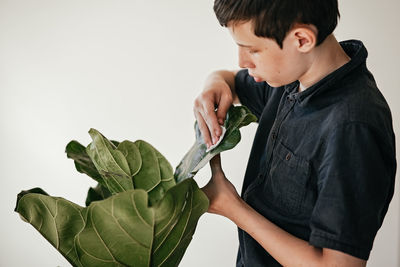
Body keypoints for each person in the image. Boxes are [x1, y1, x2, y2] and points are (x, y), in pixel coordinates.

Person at [193, 0, 396, 266]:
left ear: (301, 39)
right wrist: (214, 83)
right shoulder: (291, 77)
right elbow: (229, 77)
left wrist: (234, 208)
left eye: (252, 49)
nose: (242, 61)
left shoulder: (353, 128)